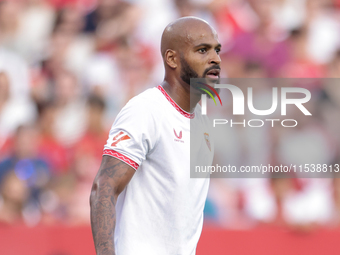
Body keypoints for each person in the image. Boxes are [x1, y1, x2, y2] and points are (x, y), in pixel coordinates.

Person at [90, 16, 221, 255]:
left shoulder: (202, 122)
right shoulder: (146, 110)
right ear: (172, 58)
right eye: (202, 50)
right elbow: (104, 187)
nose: (215, 59)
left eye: (217, 50)